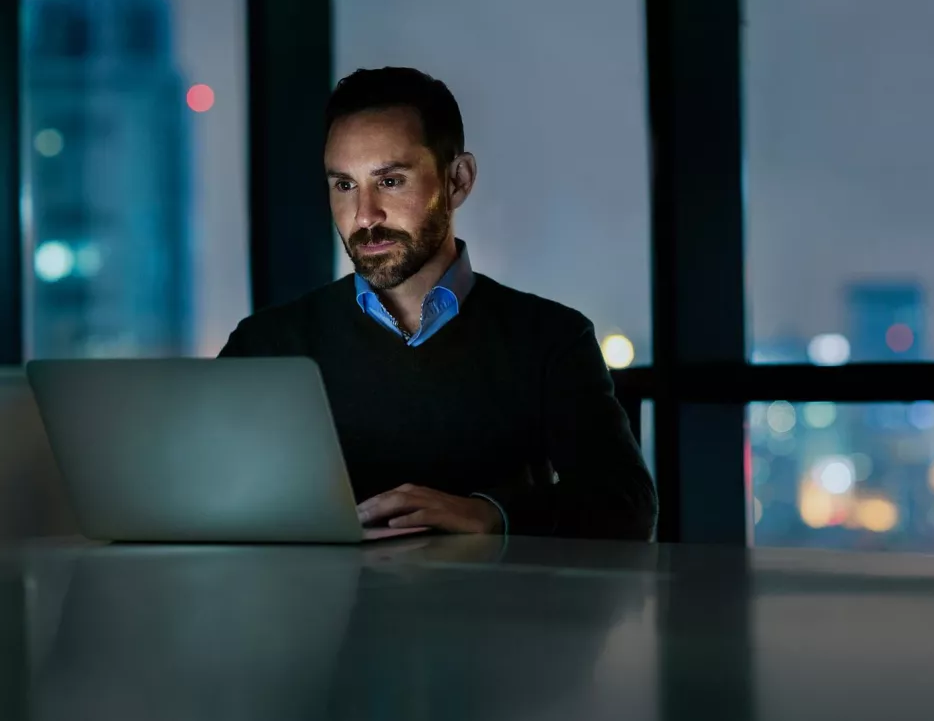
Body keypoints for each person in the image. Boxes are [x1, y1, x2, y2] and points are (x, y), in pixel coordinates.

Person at [219, 67, 657, 540]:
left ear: (458, 180)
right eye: (344, 185)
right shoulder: (265, 343)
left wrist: (490, 515)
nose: (364, 215)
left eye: (390, 182)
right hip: (324, 611)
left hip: (493, 610)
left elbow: (627, 504)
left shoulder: (551, 338)